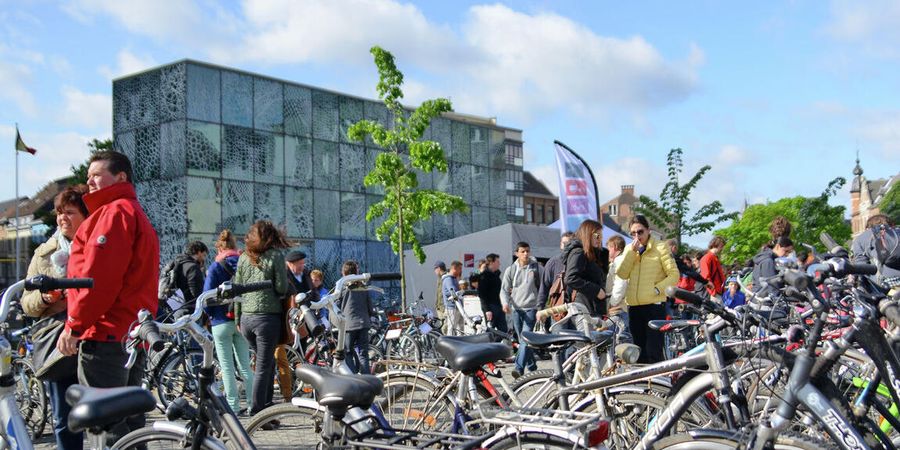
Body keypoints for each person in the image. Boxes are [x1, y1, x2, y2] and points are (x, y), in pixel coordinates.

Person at [56, 151, 160, 441]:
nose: (89, 181)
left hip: (105, 333)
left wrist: (74, 325)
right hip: (130, 333)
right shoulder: (134, 212)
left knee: (106, 429)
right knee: (130, 427)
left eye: (96, 175)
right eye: (88, 176)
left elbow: (98, 279)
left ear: (121, 177)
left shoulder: (113, 213)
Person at [22, 185, 89, 450]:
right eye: (60, 212)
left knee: (102, 414)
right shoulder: (44, 253)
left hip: (93, 339)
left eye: (70, 212)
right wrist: (46, 299)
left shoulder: (97, 245)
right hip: (59, 344)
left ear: (86, 215)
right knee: (64, 418)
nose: (62, 218)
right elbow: (27, 303)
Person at [234, 220, 290, 414]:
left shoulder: (242, 257)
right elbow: (282, 287)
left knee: (266, 361)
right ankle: (257, 410)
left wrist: (237, 320)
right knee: (264, 365)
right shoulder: (275, 256)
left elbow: (237, 290)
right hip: (267, 319)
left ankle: (266, 406)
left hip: (246, 320)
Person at [616, 215, 679, 363]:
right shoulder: (629, 249)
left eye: (640, 232)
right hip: (634, 306)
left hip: (654, 306)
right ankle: (642, 384)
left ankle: (658, 384)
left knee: (653, 351)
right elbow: (622, 273)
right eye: (633, 233)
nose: (637, 236)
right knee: (638, 352)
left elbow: (674, 275)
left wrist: (657, 289)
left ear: (648, 231)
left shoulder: (660, 247)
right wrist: (631, 253)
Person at [203, 229, 253, 415]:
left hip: (220, 321)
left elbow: (206, 295)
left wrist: (209, 315)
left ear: (219, 248)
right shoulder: (243, 264)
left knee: (227, 366)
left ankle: (232, 406)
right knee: (245, 365)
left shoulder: (216, 267)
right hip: (241, 319)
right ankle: (252, 403)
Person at [501, 242, 542, 377]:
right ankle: (532, 365)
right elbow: (504, 290)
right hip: (516, 309)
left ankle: (518, 368)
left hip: (532, 309)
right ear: (516, 253)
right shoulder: (511, 270)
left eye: (527, 251)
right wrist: (505, 303)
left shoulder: (536, 268)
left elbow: (544, 287)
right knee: (523, 341)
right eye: (523, 251)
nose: (526, 254)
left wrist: (542, 307)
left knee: (525, 339)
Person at [562, 220, 608, 323]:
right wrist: (596, 290)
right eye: (597, 235)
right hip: (584, 309)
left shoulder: (592, 253)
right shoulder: (578, 252)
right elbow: (570, 278)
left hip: (592, 309)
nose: (599, 239)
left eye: (601, 236)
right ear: (588, 234)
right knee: (587, 338)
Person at [337, 260, 373, 374]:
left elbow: (337, 304)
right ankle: (367, 380)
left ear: (344, 273)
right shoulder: (363, 286)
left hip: (349, 325)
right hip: (363, 323)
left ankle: (353, 379)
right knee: (363, 354)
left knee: (347, 352)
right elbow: (370, 307)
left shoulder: (342, 286)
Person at [163, 240, 209, 316]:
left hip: (175, 309)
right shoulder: (193, 268)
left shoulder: (178, 263)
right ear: (199, 252)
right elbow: (196, 295)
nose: (204, 259)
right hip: (189, 313)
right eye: (204, 255)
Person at [852, 214, 900, 281]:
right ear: (891, 224)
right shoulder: (897, 232)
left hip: (886, 283)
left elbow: (862, 267)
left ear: (868, 227)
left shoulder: (861, 238)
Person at [606, 235, 632, 344]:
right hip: (622, 307)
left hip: (618, 308)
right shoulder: (621, 260)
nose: (607, 251)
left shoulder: (619, 261)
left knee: (617, 343)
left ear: (615, 247)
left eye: (609, 248)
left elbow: (620, 284)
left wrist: (612, 303)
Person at [477, 253, 507, 333]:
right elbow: (482, 294)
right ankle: (488, 345)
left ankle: (498, 345)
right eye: (497, 262)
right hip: (491, 307)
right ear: (491, 263)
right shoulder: (484, 276)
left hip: (498, 305)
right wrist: (487, 310)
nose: (499, 263)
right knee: (491, 331)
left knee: (503, 331)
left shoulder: (495, 275)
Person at [700, 236, 726, 303]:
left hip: (717, 292)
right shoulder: (708, 258)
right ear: (717, 244)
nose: (722, 248)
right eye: (722, 246)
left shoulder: (714, 258)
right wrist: (713, 292)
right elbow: (705, 277)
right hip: (713, 294)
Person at [442, 261, 465, 336]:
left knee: (460, 328)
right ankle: (450, 344)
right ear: (454, 268)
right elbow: (453, 292)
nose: (461, 271)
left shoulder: (454, 278)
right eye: (460, 269)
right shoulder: (449, 279)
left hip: (458, 307)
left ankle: (461, 344)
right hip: (452, 308)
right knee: (452, 329)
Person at [433, 261, 448, 331]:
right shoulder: (439, 278)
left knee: (445, 328)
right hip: (439, 307)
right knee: (442, 327)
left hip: (444, 307)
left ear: (438, 268)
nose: (434, 271)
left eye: (435, 269)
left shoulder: (446, 277)